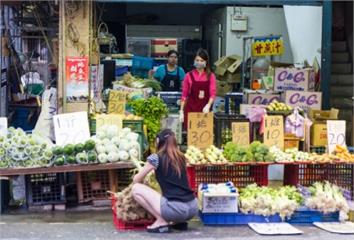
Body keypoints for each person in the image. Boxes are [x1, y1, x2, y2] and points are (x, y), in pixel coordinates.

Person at [132, 129, 197, 233]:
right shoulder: (182, 157)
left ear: (158, 141)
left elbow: (136, 179)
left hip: (176, 210)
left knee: (136, 189)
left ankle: (162, 221)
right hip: (193, 207)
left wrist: (143, 180)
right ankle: (179, 223)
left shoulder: (156, 158)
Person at [179, 48, 216, 129]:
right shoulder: (188, 75)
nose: (199, 62)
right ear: (194, 61)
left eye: (202, 60)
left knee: (204, 135)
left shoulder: (211, 76)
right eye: (197, 60)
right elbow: (184, 95)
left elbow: (212, 94)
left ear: (206, 62)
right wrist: (181, 111)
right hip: (190, 110)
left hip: (204, 111)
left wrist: (208, 105)